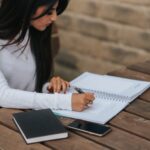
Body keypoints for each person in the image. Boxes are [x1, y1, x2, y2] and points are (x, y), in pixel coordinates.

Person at [0, 0, 95, 112]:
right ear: (26, 6)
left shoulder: (32, 33)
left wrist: (49, 88)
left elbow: (29, 88)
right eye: (49, 12)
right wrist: (65, 101)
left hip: (27, 117)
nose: (54, 18)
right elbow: (3, 96)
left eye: (55, 11)